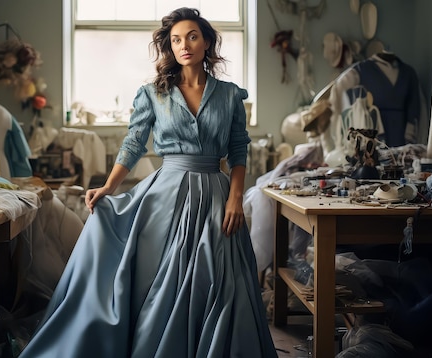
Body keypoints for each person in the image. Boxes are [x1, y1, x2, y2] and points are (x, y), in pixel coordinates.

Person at [18, 7, 277, 358]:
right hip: (166, 193)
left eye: (192, 36)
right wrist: (109, 187)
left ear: (207, 42)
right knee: (158, 279)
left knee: (219, 280)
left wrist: (235, 197)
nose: (183, 44)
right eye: (175, 40)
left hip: (216, 194)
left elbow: (237, 150)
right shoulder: (154, 93)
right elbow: (134, 144)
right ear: (169, 48)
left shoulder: (230, 95)